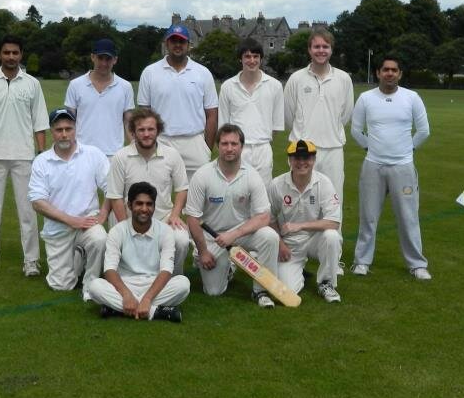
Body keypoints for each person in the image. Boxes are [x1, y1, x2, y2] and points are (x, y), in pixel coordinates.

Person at [0, 34, 49, 279]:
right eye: (7, 52)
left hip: (25, 156)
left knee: (28, 210)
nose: (11, 57)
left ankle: (32, 261)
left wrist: (41, 156)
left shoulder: (32, 84)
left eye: (15, 53)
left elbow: (40, 124)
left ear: (21, 55)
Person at [350, 55, 431, 280]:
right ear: (378, 73)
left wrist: (408, 150)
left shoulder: (411, 97)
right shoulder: (366, 98)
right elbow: (356, 131)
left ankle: (417, 264)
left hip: (403, 167)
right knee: (368, 216)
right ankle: (362, 261)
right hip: (373, 166)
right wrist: (370, 148)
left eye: (394, 70)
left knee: (408, 217)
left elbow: (424, 130)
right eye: (385, 70)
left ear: (400, 74)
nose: (389, 74)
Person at [185, 124, 280, 308]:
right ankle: (227, 266)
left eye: (234, 144)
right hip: (213, 238)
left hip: (241, 235)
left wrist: (234, 235)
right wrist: (204, 251)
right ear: (217, 146)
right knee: (213, 291)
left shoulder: (252, 175)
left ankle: (261, 291)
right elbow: (192, 218)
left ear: (241, 147)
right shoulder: (202, 175)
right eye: (225, 143)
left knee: (269, 237)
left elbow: (264, 216)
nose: (229, 148)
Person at [28, 108, 110, 297]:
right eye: (59, 130)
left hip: (87, 223)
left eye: (68, 128)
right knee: (61, 286)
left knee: (100, 239)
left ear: (75, 129)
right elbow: (37, 202)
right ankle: (79, 256)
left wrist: (103, 215)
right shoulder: (41, 161)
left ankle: (90, 285)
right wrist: (71, 220)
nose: (64, 134)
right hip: (58, 229)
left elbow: (111, 189)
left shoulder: (93, 154)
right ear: (52, 132)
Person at [88, 182, 190, 323]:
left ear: (154, 207)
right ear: (130, 206)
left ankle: (117, 309)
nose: (144, 209)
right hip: (125, 286)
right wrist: (127, 295)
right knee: (94, 287)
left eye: (149, 204)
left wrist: (147, 298)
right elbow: (109, 270)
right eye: (139, 204)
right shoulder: (117, 231)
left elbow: (166, 270)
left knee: (183, 284)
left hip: (154, 287)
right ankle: (155, 311)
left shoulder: (165, 231)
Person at [283, 27, 353, 225]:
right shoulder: (296, 79)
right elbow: (288, 116)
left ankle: (332, 252)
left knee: (333, 200)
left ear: (331, 50)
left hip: (333, 149)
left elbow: (346, 114)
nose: (321, 50)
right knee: (299, 201)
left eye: (325, 46)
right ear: (309, 49)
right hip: (301, 151)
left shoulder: (343, 79)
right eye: (316, 46)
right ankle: (298, 251)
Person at [107, 108, 190, 274]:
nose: (146, 134)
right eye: (141, 130)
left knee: (181, 240)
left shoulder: (172, 155)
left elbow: (182, 189)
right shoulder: (121, 157)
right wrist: (126, 226)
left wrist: (174, 215)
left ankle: (174, 277)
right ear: (133, 132)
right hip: (130, 218)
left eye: (151, 129)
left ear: (158, 130)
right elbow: (115, 196)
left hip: (163, 219)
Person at [137, 24, 218, 180]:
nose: (178, 45)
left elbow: (212, 115)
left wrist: (206, 148)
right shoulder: (150, 72)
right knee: (157, 197)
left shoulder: (203, 73)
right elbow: (144, 114)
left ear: (189, 45)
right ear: (166, 43)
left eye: (182, 41)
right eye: (173, 41)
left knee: (196, 200)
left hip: (194, 142)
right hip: (161, 141)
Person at [268, 140, 342, 303]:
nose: (302, 162)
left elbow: (334, 222)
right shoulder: (277, 185)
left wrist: (299, 226)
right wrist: (280, 245)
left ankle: (326, 282)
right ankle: (298, 270)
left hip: (315, 239)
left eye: (306, 158)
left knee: (332, 236)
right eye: (297, 158)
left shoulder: (324, 183)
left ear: (314, 160)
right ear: (290, 160)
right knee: (288, 291)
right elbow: (270, 219)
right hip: (290, 244)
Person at [218, 37, 284, 185]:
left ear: (261, 59)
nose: (252, 60)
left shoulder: (275, 86)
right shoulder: (228, 86)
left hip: (263, 149)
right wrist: (233, 147)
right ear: (240, 59)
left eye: (256, 56)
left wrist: (260, 141)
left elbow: (276, 127)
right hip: (236, 149)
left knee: (262, 197)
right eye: (247, 56)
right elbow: (223, 125)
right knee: (235, 195)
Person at [65, 38, 134, 158]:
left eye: (108, 59)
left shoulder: (125, 87)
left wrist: (134, 148)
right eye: (100, 58)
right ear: (92, 57)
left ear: (115, 60)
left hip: (114, 155)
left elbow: (128, 122)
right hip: (82, 154)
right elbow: (69, 121)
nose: (104, 63)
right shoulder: (76, 85)